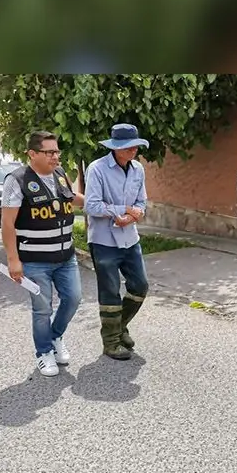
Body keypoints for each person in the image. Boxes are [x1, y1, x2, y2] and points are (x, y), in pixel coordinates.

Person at [1, 131, 85, 377]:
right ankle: (44, 352)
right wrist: (13, 260)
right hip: (35, 261)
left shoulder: (60, 175)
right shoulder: (16, 180)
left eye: (57, 151)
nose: (55, 157)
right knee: (42, 310)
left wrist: (98, 205)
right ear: (32, 153)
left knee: (74, 299)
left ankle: (55, 336)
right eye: (49, 152)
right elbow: (7, 223)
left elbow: (72, 199)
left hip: (65, 257)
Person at [84, 123, 150, 360]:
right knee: (110, 291)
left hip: (130, 238)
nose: (133, 150)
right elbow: (91, 205)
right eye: (128, 147)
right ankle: (110, 342)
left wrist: (135, 214)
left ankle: (119, 327)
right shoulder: (97, 169)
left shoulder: (138, 170)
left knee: (140, 286)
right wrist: (121, 211)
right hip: (103, 241)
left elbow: (142, 201)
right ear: (115, 148)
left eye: (135, 146)